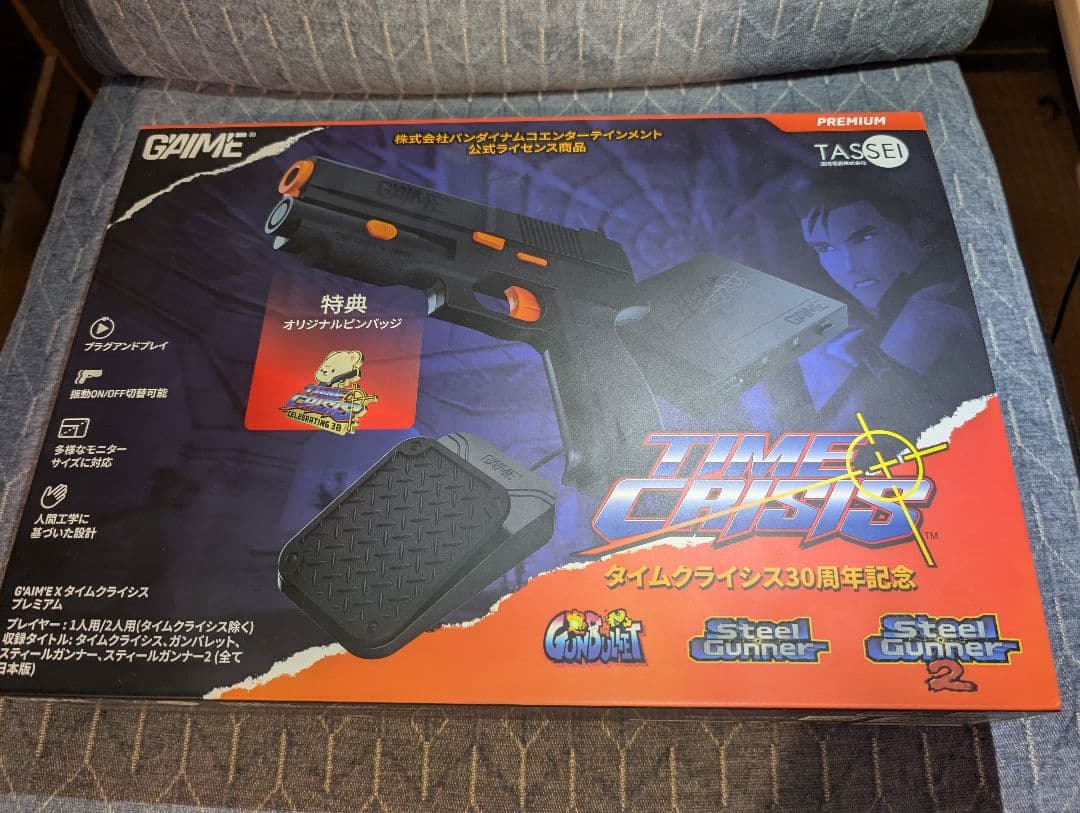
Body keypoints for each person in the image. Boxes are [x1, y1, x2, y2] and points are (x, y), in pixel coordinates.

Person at [744, 174, 994, 440]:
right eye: (825, 248)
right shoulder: (829, 329)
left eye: (864, 238)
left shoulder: (956, 304)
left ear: (916, 229)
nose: (849, 266)